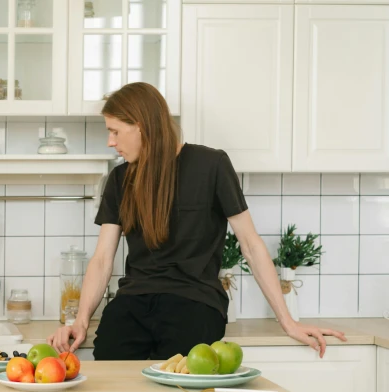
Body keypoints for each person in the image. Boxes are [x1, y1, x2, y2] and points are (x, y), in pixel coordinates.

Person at [47, 82, 346, 360]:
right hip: (133, 303)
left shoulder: (211, 165)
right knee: (112, 380)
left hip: (195, 303)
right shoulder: (120, 179)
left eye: (114, 131)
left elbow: (251, 246)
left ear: (140, 126)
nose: (110, 142)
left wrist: (288, 322)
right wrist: (80, 322)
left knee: (180, 390)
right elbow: (101, 260)